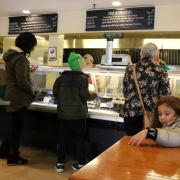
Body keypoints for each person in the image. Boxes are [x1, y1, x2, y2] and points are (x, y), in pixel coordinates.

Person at [53, 52, 97, 173]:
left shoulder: (60, 78)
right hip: (78, 115)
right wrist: (94, 95)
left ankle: (60, 163)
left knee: (62, 139)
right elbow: (85, 95)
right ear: (79, 64)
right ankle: (80, 163)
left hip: (63, 114)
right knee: (79, 139)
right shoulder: (82, 78)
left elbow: (55, 93)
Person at [0, 32, 37, 165]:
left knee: (12, 127)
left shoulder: (10, 56)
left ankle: (4, 151)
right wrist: (32, 92)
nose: (33, 49)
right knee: (17, 129)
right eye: (33, 46)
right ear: (27, 45)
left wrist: (28, 72)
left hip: (11, 95)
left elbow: (15, 75)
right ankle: (14, 157)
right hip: (19, 98)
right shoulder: (21, 58)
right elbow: (21, 81)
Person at [122, 42, 170, 136]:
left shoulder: (130, 69)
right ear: (156, 56)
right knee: (149, 144)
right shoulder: (160, 70)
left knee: (132, 142)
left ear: (141, 53)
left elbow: (125, 92)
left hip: (131, 113)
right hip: (152, 114)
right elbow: (165, 95)